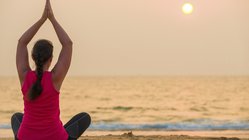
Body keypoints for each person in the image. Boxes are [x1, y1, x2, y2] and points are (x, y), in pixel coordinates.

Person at [11, 0, 91, 139]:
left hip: (26, 137)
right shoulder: (55, 77)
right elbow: (68, 44)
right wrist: (52, 19)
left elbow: (22, 42)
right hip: (55, 137)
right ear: (51, 59)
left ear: (33, 57)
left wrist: (41, 20)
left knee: (16, 118)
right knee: (85, 117)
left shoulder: (24, 75)